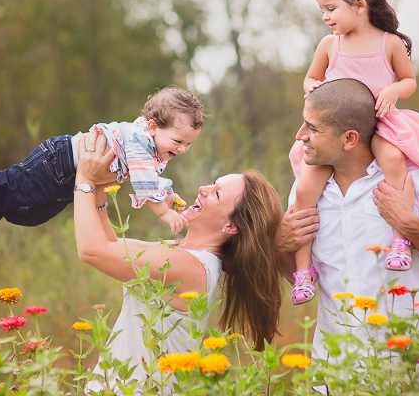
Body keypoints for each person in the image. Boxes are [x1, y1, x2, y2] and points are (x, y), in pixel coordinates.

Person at [276, 78, 419, 383]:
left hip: (413, 378)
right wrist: (280, 246)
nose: (300, 136)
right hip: (337, 378)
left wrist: (410, 225)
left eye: (312, 128)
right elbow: (301, 277)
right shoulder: (305, 191)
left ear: (350, 138)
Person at [288, 0, 419, 305]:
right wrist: (314, 87)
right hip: (336, 131)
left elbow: (409, 81)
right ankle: (303, 272)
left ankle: (400, 239)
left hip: (377, 122)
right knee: (305, 188)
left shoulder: (388, 43)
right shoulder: (330, 45)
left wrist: (395, 91)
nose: (325, 17)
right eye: (322, 10)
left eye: (330, 9)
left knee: (392, 158)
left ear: (359, 5)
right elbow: (309, 78)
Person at [73, 131, 284, 393]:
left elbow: (91, 250)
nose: (203, 190)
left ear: (231, 226)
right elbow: (111, 246)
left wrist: (85, 179)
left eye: (216, 194)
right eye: (213, 183)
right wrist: (102, 190)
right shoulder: (180, 253)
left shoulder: (188, 267)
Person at [0, 87, 204, 235]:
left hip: (74, 178)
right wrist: (164, 213)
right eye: (178, 141)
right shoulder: (140, 141)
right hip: (60, 160)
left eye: (189, 143)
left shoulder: (155, 148)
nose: (182, 149)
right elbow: (144, 181)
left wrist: (167, 195)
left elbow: (153, 179)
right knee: (17, 184)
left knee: (36, 214)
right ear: (153, 127)